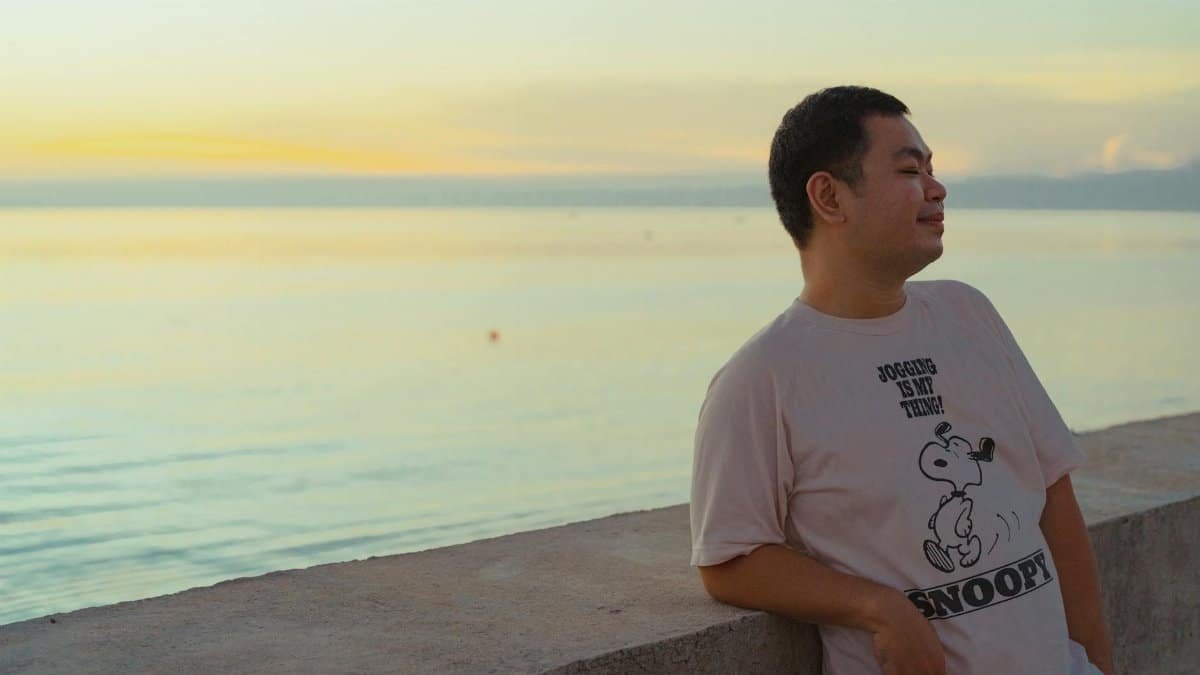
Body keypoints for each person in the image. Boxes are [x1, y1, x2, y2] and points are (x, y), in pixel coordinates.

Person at [689, 86, 1115, 675]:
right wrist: (877, 608)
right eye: (911, 171)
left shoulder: (969, 315)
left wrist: (1099, 665)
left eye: (932, 170)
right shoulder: (763, 377)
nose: (937, 189)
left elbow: (1055, 499)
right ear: (829, 197)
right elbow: (729, 559)